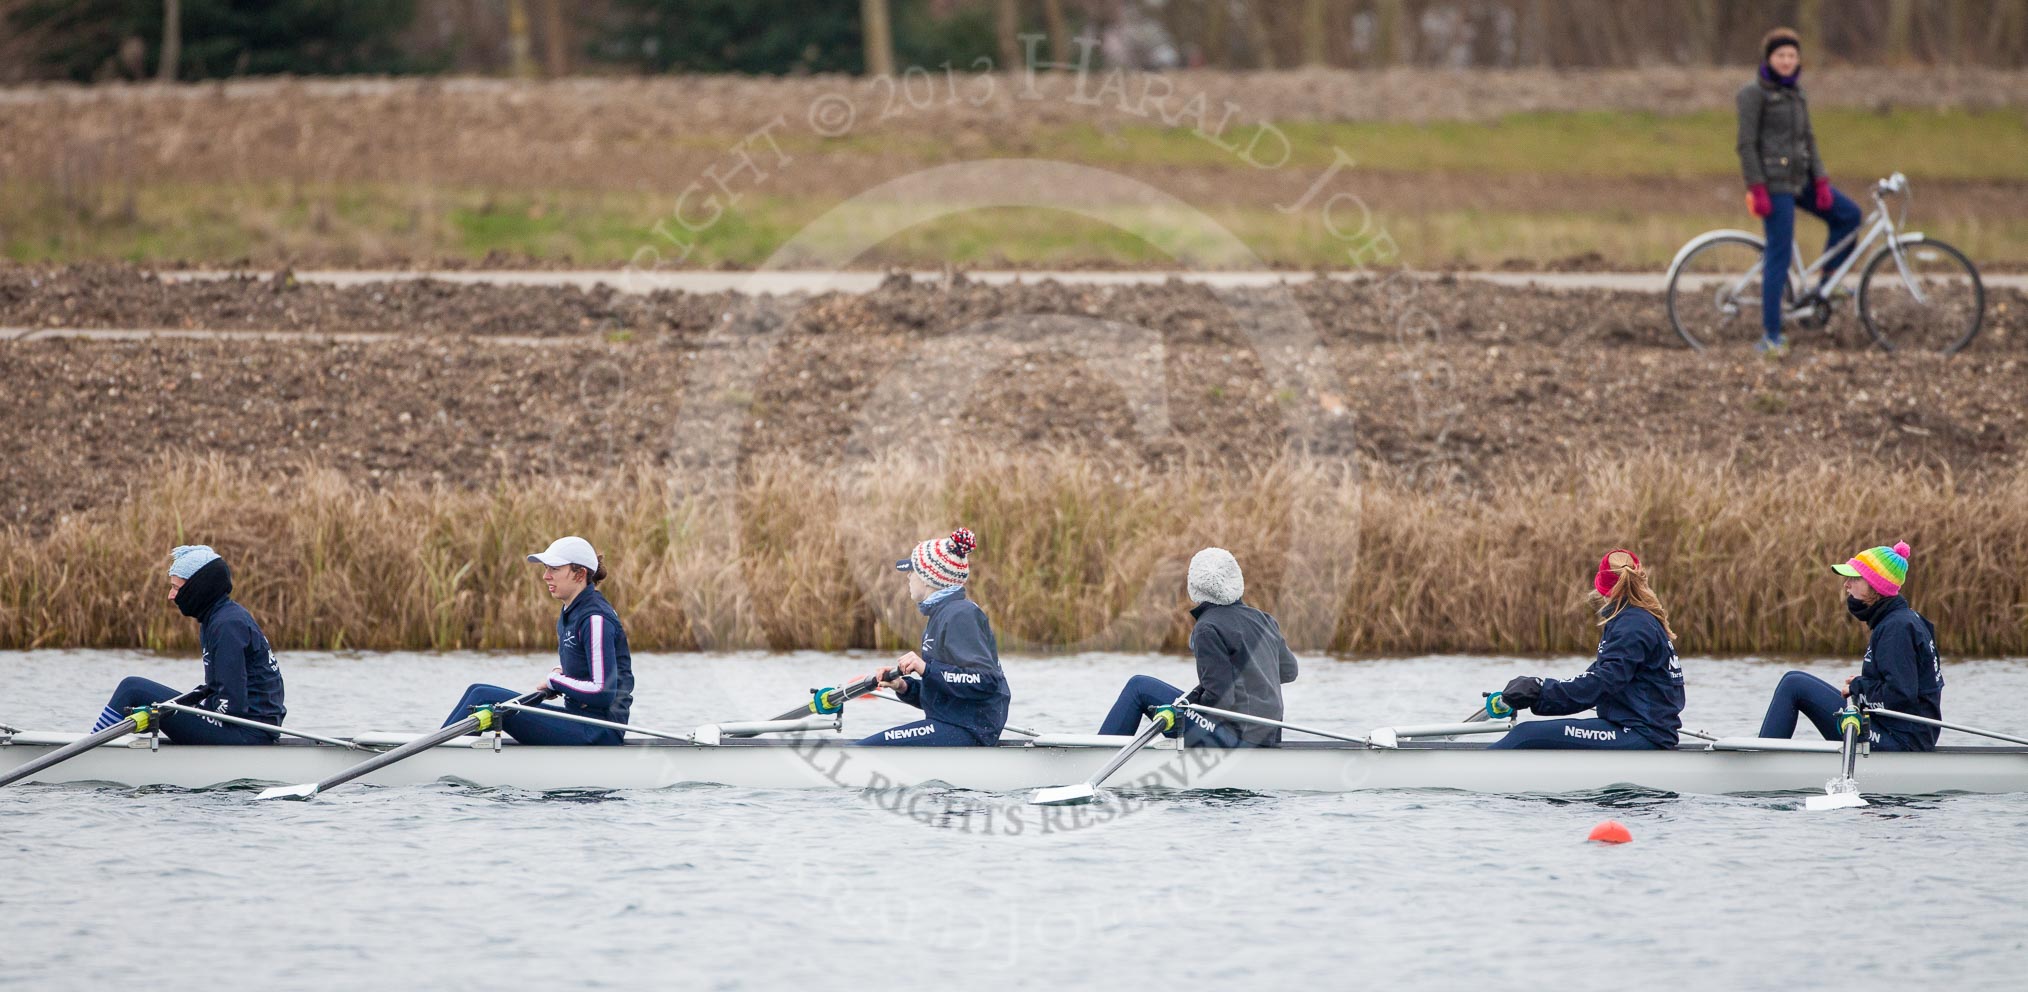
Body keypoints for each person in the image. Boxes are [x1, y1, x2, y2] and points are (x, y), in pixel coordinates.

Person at [1736, 26, 1864, 354]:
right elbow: (1746, 145)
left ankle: (1827, 286)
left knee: (1849, 217)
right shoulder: (1753, 95)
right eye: (1781, 55)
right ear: (1769, 58)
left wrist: (1820, 180)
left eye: (1792, 55)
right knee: (1778, 256)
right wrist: (1757, 187)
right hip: (1773, 185)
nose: (1787, 61)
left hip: (1801, 180)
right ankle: (1771, 335)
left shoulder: (1798, 94)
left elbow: (1808, 139)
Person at [1094, 547, 1298, 748]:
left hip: (1235, 739)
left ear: (1194, 588)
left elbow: (1220, 700)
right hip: (1267, 736)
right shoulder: (1265, 620)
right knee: (1173, 699)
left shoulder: (1207, 628)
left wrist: (1181, 713)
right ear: (1237, 580)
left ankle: (1096, 754)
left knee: (1138, 687)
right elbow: (1289, 672)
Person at [442, 536, 634, 745]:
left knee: (485, 698)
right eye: (545, 568)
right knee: (477, 690)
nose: (545, 576)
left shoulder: (595, 619)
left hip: (600, 730)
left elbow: (601, 692)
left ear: (580, 574)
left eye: (554, 569)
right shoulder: (573, 610)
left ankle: (435, 757)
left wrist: (555, 681)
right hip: (580, 720)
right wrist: (562, 677)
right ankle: (440, 750)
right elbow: (590, 667)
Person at [1488, 550, 1685, 750]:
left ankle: (1470, 778)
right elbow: (1596, 678)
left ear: (1601, 586)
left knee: (1525, 735)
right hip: (1641, 728)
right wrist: (1536, 691)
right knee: (1529, 733)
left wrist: (1540, 690)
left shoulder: (1632, 626)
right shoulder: (1639, 619)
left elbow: (1601, 684)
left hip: (1640, 732)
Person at [1756, 542, 1942, 751]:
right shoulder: (1905, 620)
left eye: (1854, 578)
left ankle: (1760, 761)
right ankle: (1764, 755)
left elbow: (1900, 696)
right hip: (1901, 732)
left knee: (1795, 685)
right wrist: (1866, 684)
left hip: (1900, 741)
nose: (1846, 584)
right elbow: (1907, 687)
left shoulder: (1896, 628)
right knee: (1793, 679)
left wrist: (1859, 687)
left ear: (1876, 586)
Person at [90, 545, 286, 744]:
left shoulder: (227, 625)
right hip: (243, 726)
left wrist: (179, 716)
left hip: (247, 732)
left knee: (132, 688)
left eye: (176, 587)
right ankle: (97, 744)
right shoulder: (218, 618)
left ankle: (90, 751)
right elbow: (215, 690)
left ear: (198, 588)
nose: (171, 595)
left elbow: (231, 706)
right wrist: (167, 712)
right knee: (148, 699)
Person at [858, 527, 1009, 746]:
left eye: (912, 571)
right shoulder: (941, 615)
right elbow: (945, 692)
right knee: (867, 746)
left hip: (968, 727)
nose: (908, 576)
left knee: (865, 749)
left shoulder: (960, 615)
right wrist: (904, 686)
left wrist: (926, 669)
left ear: (929, 578)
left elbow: (985, 682)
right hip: (954, 722)